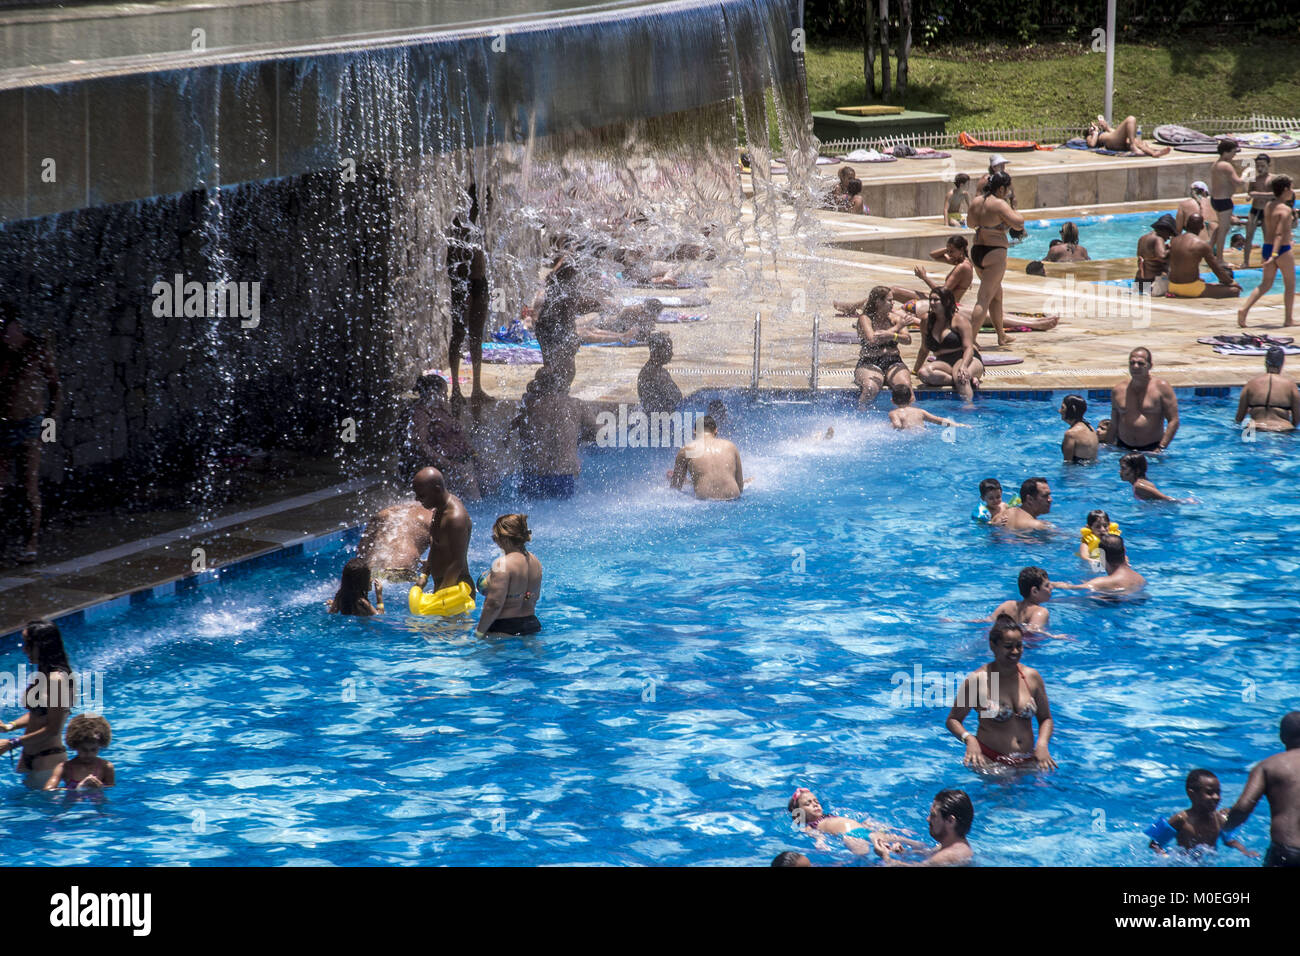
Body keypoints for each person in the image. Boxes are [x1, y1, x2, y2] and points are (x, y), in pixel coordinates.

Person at [946, 616, 1056, 770]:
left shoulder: (1031, 677)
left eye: (1019, 645)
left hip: (1029, 761)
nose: (1015, 651)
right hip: (991, 762)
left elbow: (1045, 718)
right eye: (1008, 646)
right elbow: (953, 720)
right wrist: (969, 739)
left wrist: (1042, 744)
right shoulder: (978, 680)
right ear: (993, 645)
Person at [0, 308, 62, 563]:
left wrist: (50, 420)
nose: (2, 333)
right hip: (2, 425)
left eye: (6, 328)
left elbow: (55, 386)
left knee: (29, 486)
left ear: (18, 326)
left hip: (30, 425)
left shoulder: (36, 350)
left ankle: (31, 542)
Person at [0, 619, 73, 788]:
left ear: (43, 645)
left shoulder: (58, 680)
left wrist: (12, 743)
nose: (24, 649)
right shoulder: (44, 676)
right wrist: (9, 726)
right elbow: (38, 713)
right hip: (29, 757)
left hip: (48, 760)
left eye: (27, 644)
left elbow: (53, 728)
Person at [1223, 711, 1300, 867]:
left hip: (1286, 852)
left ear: (1282, 737)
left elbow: (1243, 808)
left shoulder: (1267, 766)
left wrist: (1224, 828)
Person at [515, 367, 598, 499]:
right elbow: (598, 434)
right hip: (564, 476)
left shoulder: (528, 403)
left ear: (537, 385)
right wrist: (576, 439)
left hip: (534, 476)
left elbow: (516, 430)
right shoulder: (577, 405)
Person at [1145, 769, 1257, 858]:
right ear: (1191, 794)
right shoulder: (1180, 819)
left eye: (1218, 792)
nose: (1216, 797)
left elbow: (1229, 840)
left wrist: (1244, 851)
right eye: (1209, 793)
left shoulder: (1220, 819)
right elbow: (1154, 844)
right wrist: (1165, 857)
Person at [967, 171, 1024, 346]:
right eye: (1007, 189)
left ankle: (1001, 335)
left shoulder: (977, 202)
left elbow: (970, 224)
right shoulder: (999, 205)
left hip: (977, 250)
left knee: (996, 294)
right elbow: (1019, 223)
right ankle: (969, 341)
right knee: (984, 298)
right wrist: (1012, 207)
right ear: (1001, 188)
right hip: (994, 253)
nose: (1008, 192)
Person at [403, 372, 481, 501]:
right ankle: (472, 516)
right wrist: (449, 465)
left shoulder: (441, 411)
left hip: (457, 462)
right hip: (437, 467)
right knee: (468, 481)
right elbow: (420, 446)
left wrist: (475, 457)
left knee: (489, 477)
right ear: (433, 394)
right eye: (444, 393)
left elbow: (459, 437)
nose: (445, 397)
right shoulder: (420, 413)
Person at [446, 183, 490, 403]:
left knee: (476, 337)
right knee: (459, 335)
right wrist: (461, 281)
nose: (486, 208)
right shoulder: (457, 226)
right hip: (463, 284)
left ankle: (476, 388)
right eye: (484, 203)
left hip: (479, 282)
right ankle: (455, 390)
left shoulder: (478, 227)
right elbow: (451, 261)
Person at [1237, 175, 1296, 328]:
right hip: (1281, 250)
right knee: (1290, 284)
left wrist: (1270, 254)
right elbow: (1279, 234)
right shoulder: (1286, 210)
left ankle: (1244, 309)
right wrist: (1275, 255)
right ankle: (1288, 319)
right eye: (1291, 187)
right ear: (1285, 189)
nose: (1292, 191)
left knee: (1265, 284)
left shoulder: (1268, 206)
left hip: (1267, 247)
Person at [412, 466, 475, 603]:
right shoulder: (439, 509)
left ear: (437, 489)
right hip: (443, 586)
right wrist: (425, 574)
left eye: (421, 495)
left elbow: (457, 563)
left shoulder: (455, 518)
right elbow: (436, 543)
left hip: (456, 590)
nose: (417, 499)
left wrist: (440, 597)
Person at [475, 514, 542, 637]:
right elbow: (534, 597)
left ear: (504, 538)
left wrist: (479, 632)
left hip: (504, 627)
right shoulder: (536, 562)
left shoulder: (501, 563)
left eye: (495, 538)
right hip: (532, 624)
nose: (495, 542)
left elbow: (494, 604)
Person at [913, 288, 983, 402]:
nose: (931, 303)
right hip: (944, 361)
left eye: (936, 300)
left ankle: (969, 407)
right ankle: (961, 379)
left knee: (961, 377)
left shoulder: (959, 320)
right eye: (930, 299)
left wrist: (964, 366)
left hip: (965, 358)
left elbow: (968, 348)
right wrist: (915, 370)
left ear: (947, 301)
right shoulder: (927, 320)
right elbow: (924, 349)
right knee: (924, 373)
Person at [871, 790, 974, 866]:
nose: (928, 819)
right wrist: (901, 848)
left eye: (933, 815)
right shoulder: (950, 846)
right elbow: (927, 852)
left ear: (950, 821)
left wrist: (884, 856)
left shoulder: (949, 855)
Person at [852, 287, 912, 406]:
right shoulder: (865, 318)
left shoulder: (895, 318)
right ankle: (860, 417)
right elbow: (872, 340)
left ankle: (909, 420)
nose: (893, 303)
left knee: (906, 388)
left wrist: (892, 335)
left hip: (893, 361)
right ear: (878, 302)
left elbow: (908, 340)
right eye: (889, 300)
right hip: (869, 363)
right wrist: (896, 329)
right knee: (870, 388)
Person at [1109, 348, 1178, 451]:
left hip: (1152, 449)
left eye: (1140, 363)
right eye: (1132, 363)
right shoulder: (1118, 389)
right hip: (1122, 448)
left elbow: (1173, 420)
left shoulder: (1161, 387)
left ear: (1150, 365)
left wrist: (1161, 448)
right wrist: (1109, 445)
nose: (1135, 366)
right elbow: (1114, 422)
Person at [1166, 214, 1241, 298]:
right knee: (1235, 291)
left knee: (1204, 282)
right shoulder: (1201, 244)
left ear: (1186, 225)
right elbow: (1216, 268)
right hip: (1190, 289)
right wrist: (1231, 282)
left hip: (1172, 286)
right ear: (1202, 227)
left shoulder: (1174, 241)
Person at [670, 415, 742, 500]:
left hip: (705, 502)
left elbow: (675, 489)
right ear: (716, 431)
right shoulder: (731, 446)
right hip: (733, 499)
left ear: (695, 432)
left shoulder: (687, 450)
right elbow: (740, 486)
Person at [357, 502, 433, 580]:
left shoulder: (384, 513)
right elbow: (439, 556)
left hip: (371, 572)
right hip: (401, 572)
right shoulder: (430, 518)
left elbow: (361, 550)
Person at [43, 714, 115, 792]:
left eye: (94, 750)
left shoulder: (106, 767)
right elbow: (48, 790)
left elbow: (112, 791)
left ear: (100, 745)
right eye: (84, 750)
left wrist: (101, 787)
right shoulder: (64, 768)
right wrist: (78, 788)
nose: (89, 754)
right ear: (75, 746)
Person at [1235, 346, 1299, 432]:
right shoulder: (1291, 386)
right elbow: (1297, 419)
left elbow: (1239, 418)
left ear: (1265, 362)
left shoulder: (1250, 385)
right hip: (1282, 431)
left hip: (1256, 430)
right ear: (1282, 363)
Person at [1055, 533, 1145, 593]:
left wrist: (1051, 584)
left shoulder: (1100, 582)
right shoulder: (1140, 578)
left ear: (1101, 556)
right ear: (1124, 551)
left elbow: (1073, 588)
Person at [987, 566, 1052, 632]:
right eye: (1047, 586)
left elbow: (988, 621)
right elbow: (1032, 632)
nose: (1051, 587)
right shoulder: (1041, 612)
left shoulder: (1007, 605)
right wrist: (1053, 636)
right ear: (1034, 591)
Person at [1209, 139, 1245, 257]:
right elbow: (1239, 182)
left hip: (1216, 200)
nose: (1235, 155)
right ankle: (1219, 259)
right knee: (1224, 231)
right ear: (1226, 152)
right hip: (1224, 201)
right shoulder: (1226, 165)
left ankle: (1209, 251)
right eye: (1233, 152)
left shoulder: (1216, 164)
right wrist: (1248, 172)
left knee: (1221, 228)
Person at [577, 298, 663, 345]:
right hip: (596, 319)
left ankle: (621, 337)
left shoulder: (645, 318)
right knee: (573, 326)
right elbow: (638, 335)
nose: (653, 320)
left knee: (589, 330)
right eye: (652, 317)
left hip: (597, 325)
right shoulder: (630, 311)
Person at [887, 381, 968, 431]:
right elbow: (939, 421)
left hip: (907, 436)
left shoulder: (893, 413)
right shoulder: (920, 412)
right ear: (911, 399)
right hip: (922, 434)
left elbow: (897, 425)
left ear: (892, 401)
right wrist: (957, 425)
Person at [637, 332, 683, 413]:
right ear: (657, 351)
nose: (672, 354)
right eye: (668, 350)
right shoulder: (652, 374)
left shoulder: (657, 371)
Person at [1085, 114, 1170, 157]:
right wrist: (1094, 132)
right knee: (1131, 119)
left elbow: (1115, 132)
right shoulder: (1090, 136)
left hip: (1117, 140)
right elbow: (1092, 144)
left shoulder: (1105, 132)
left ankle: (1154, 153)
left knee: (1138, 142)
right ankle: (1133, 146)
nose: (1093, 128)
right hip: (1112, 143)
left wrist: (1106, 127)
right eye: (1091, 128)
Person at [1242, 154, 1274, 267]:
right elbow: (1250, 192)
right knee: (1249, 236)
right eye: (1258, 166)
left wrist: (1258, 194)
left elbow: (1275, 195)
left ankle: (1266, 260)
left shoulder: (1272, 179)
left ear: (1268, 165)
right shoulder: (1254, 179)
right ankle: (1245, 261)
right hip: (1255, 210)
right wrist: (1250, 196)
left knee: (1267, 237)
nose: (1260, 168)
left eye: (1263, 166)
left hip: (1266, 211)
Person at [1135, 215, 1177, 294]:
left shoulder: (1143, 238)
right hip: (1152, 282)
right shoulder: (1158, 238)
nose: (1168, 238)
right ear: (1164, 230)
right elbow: (1162, 257)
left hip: (1139, 280)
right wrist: (1173, 247)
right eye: (1169, 234)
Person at [1059, 393, 1097, 463]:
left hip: (1078, 471)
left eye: (1062, 408)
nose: (1059, 411)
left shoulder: (1071, 434)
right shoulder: (1090, 428)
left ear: (1071, 410)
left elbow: (1067, 463)